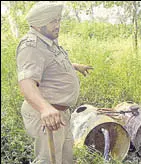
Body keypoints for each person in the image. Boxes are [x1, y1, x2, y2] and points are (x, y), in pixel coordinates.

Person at [16, 2, 93, 163]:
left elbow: (50, 65)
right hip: (47, 117)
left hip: (60, 115)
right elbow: (26, 82)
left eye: (58, 20)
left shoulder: (47, 41)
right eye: (52, 21)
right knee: (49, 160)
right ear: (38, 24)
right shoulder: (31, 46)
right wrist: (45, 109)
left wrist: (75, 67)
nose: (58, 25)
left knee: (65, 158)